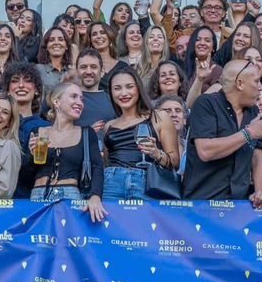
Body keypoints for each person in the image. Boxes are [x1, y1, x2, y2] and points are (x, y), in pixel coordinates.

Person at [182, 60, 262, 204]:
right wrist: (248, 133)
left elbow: (257, 157)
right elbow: (205, 151)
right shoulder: (206, 103)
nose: (260, 87)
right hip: (202, 203)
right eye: (256, 81)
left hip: (239, 204)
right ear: (240, 84)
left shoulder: (253, 111)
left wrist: (260, 193)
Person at [26, 82, 107, 220]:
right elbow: (24, 176)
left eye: (81, 99)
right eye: (74, 97)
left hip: (70, 194)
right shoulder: (37, 132)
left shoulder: (87, 133)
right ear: (56, 102)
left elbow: (97, 168)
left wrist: (95, 195)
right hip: (38, 194)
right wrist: (31, 157)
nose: (79, 103)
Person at [100, 66, 180, 200]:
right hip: (111, 184)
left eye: (129, 87)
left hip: (147, 184)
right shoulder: (109, 126)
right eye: (117, 88)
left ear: (139, 88)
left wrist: (157, 154)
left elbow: (175, 162)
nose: (123, 93)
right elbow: (107, 162)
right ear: (111, 92)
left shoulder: (159, 117)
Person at [73, 49, 115, 126]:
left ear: (102, 71)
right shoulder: (67, 99)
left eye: (93, 67)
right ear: (76, 72)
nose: (88, 72)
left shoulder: (113, 101)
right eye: (83, 67)